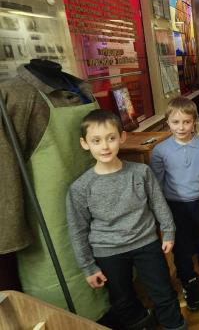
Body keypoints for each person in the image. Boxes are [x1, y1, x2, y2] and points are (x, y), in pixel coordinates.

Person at [66, 109, 186, 330]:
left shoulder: (141, 172)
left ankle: (175, 326)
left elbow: (158, 204)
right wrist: (88, 266)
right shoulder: (80, 187)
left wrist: (169, 231)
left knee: (163, 292)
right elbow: (78, 230)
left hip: (146, 243)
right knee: (122, 300)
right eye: (96, 140)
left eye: (111, 138)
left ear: (122, 137)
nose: (105, 146)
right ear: (84, 143)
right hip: (107, 251)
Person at [151, 97, 199, 311]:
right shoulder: (160, 151)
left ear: (194, 122)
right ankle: (189, 281)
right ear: (167, 123)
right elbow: (157, 185)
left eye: (186, 122)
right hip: (176, 207)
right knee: (182, 248)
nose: (181, 127)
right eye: (175, 122)